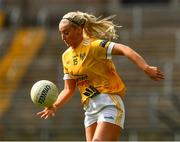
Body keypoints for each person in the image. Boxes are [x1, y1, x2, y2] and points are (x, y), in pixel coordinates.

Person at [37, 11, 164, 141]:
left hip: (109, 103)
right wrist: (55, 106)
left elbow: (125, 49)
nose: (63, 37)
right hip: (90, 109)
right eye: (61, 33)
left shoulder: (94, 45)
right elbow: (68, 89)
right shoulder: (66, 56)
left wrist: (146, 67)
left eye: (66, 32)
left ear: (79, 30)